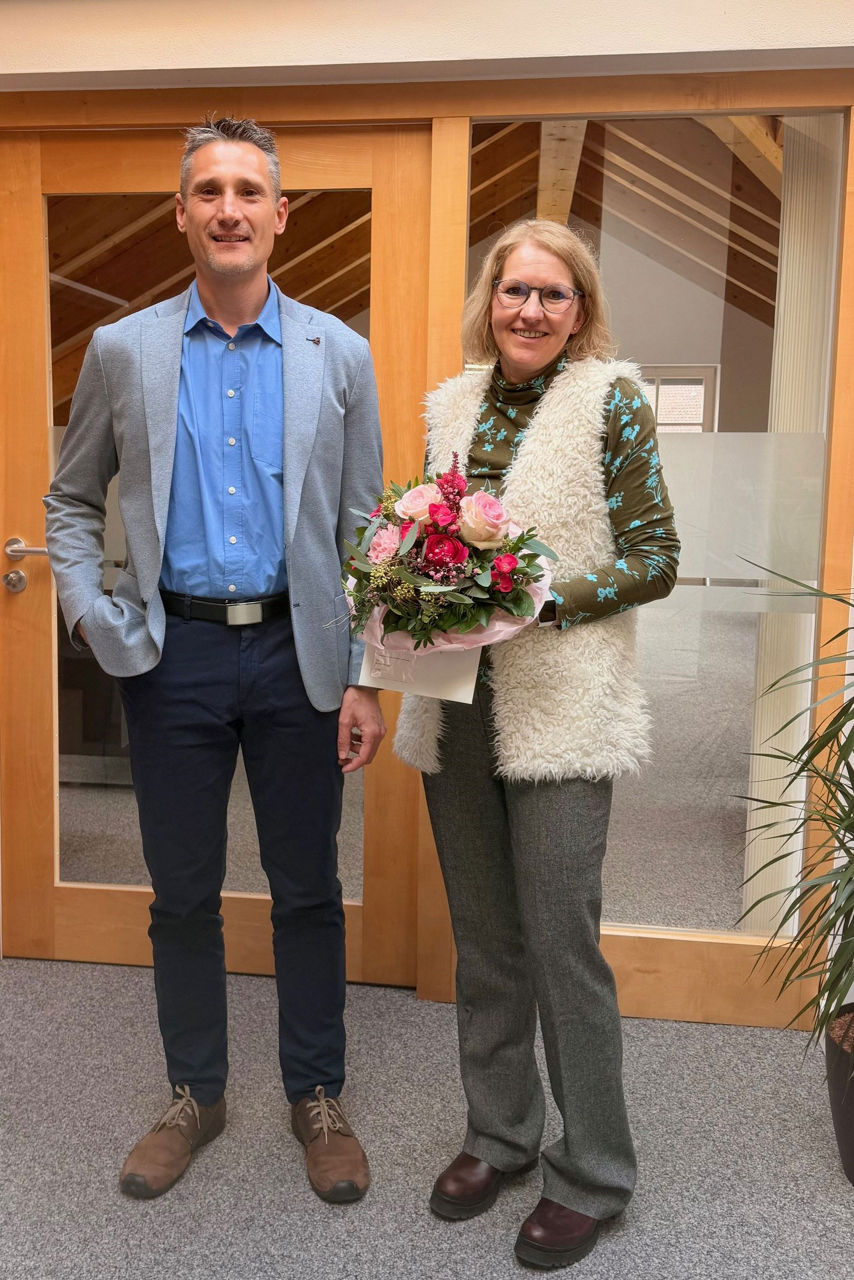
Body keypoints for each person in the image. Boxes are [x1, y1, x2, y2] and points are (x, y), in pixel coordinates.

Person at [44, 116, 385, 1204]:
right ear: (181, 213)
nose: (229, 208)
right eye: (208, 190)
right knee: (181, 891)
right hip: (172, 655)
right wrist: (91, 609)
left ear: (281, 215)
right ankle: (195, 1090)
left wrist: (369, 673)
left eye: (249, 190)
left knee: (307, 888)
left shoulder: (340, 352)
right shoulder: (121, 350)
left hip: (299, 653)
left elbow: (365, 525)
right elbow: (67, 497)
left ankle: (315, 1093)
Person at [394, 219, 679, 1269]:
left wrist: (542, 594)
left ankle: (593, 1168)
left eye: (552, 295)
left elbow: (655, 557)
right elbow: (429, 530)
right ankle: (499, 1133)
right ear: (490, 298)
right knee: (484, 936)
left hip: (561, 704)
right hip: (454, 699)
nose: (528, 310)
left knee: (561, 941)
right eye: (514, 290)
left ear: (579, 307)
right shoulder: (450, 402)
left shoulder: (613, 402)